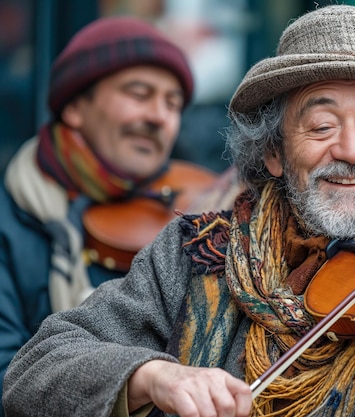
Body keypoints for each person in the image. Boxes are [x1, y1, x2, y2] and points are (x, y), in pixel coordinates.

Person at [3, 6, 355, 417]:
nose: (353, 151)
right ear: (275, 153)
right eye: (322, 125)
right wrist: (153, 375)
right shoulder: (195, 252)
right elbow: (34, 372)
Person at [0, 15, 224, 415]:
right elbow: (6, 379)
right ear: (74, 107)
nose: (159, 116)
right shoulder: (10, 222)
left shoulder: (197, 209)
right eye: (139, 94)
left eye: (172, 103)